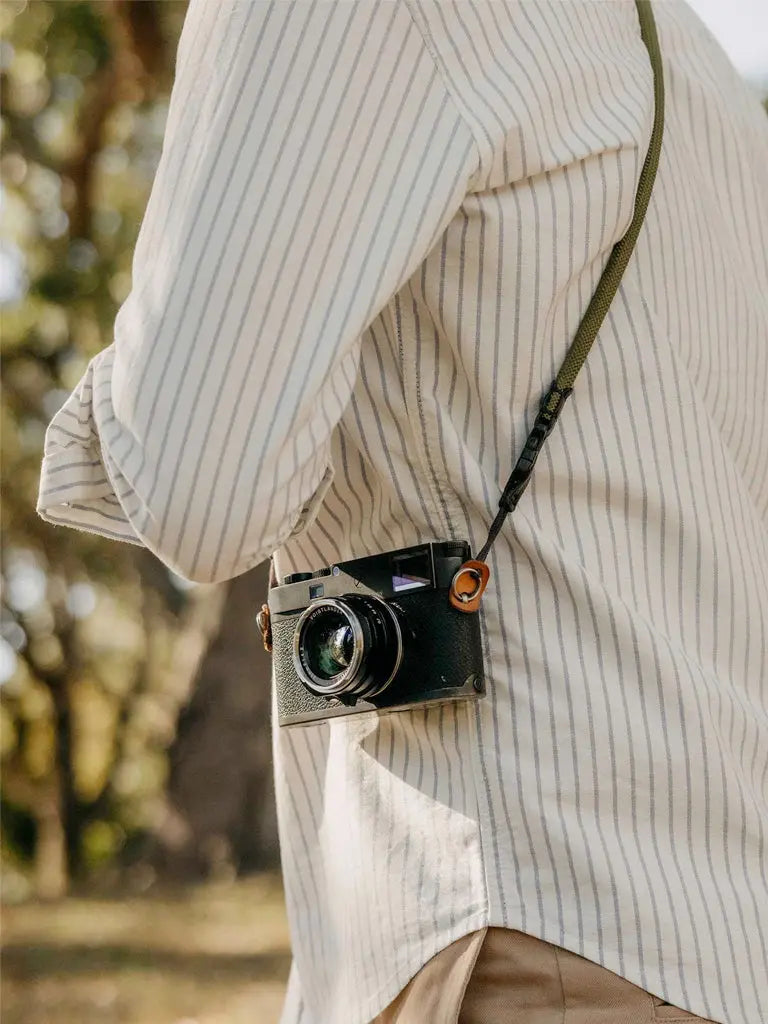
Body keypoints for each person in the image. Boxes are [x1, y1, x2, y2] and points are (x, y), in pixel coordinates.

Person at [36, 1, 767, 1022]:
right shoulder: (698, 70)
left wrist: (130, 403)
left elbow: (197, 488)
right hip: (714, 935)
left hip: (514, 916)